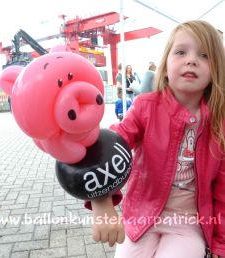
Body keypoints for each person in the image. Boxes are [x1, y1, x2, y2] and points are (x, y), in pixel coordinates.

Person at [89, 20, 225, 258]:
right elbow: (107, 150)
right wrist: (102, 203)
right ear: (165, 65)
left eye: (204, 55)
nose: (191, 60)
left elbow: (223, 192)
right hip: (141, 217)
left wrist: (221, 245)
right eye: (181, 52)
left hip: (188, 225)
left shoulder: (219, 124)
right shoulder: (145, 108)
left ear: (216, 70)